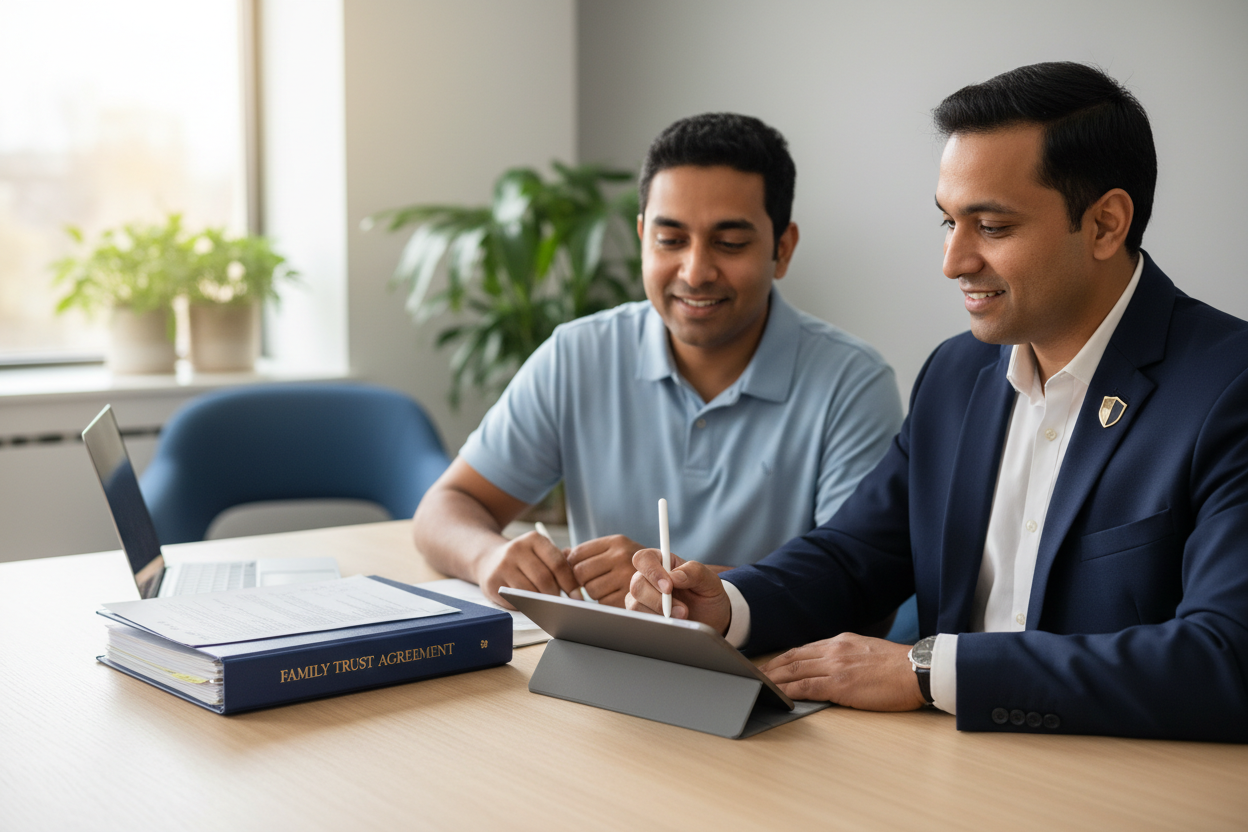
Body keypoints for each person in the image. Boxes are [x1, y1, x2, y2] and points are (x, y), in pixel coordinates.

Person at [628, 63, 1248, 742]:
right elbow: (853, 554)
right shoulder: (957, 373)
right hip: (936, 776)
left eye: (991, 226)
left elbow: (1224, 658)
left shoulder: (1228, 388)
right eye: (948, 221)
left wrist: (929, 670)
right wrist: (728, 607)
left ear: (1105, 224)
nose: (953, 260)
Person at [413, 113, 903, 608]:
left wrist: (668, 581)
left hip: (769, 669)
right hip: (601, 661)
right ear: (644, 235)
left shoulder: (852, 383)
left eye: (730, 243)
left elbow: (858, 585)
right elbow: (445, 508)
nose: (695, 272)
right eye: (670, 240)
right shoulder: (578, 354)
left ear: (782, 248)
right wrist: (486, 556)